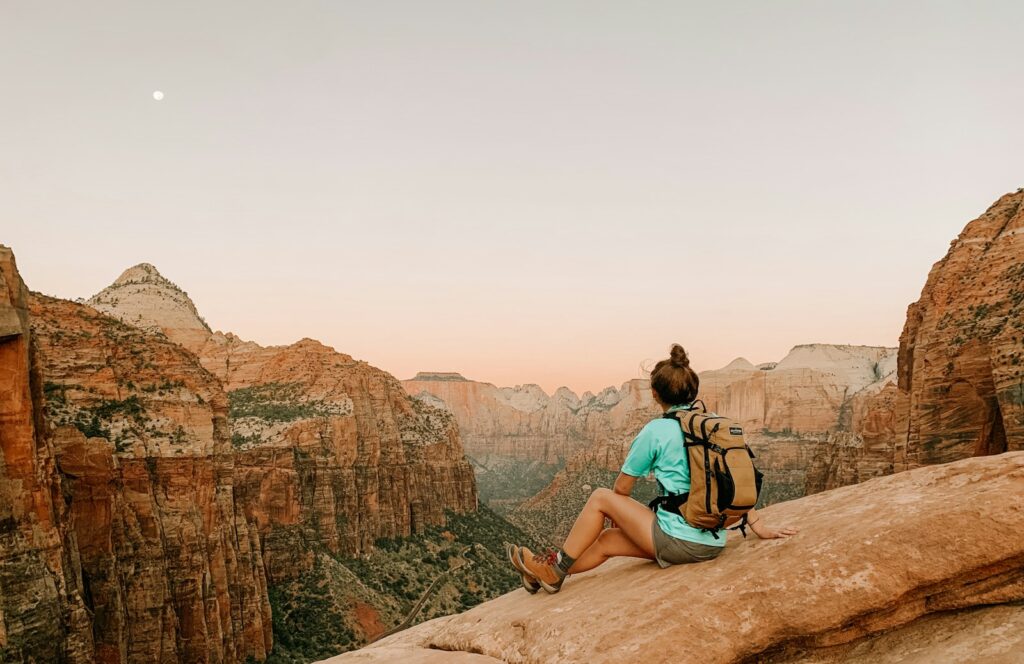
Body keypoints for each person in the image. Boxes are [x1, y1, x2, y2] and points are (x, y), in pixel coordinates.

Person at [508, 343, 798, 594]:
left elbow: (621, 489)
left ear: (656, 394)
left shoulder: (656, 430)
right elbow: (732, 480)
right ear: (692, 391)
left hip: (679, 540)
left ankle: (555, 568)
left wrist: (618, 512)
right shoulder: (713, 426)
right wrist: (759, 527)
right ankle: (544, 575)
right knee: (607, 541)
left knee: (600, 497)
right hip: (713, 541)